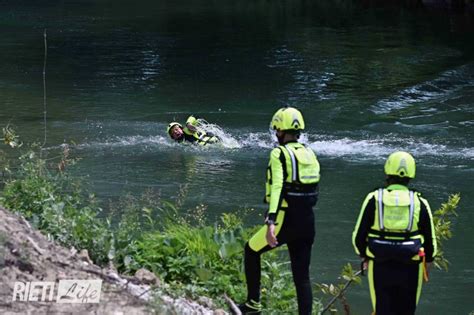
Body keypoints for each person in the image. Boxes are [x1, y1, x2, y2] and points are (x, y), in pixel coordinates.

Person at [238, 107, 321, 315]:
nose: (276, 134)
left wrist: (271, 221)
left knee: (251, 250)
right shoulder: (310, 153)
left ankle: (252, 305)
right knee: (302, 277)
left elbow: (277, 187)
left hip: (285, 219)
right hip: (308, 221)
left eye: (277, 130)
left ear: (281, 131)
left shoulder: (279, 154)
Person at [352, 151, 437, 315]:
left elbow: (358, 237)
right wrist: (429, 261)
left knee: (382, 309)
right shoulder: (419, 202)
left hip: (380, 264)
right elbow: (430, 241)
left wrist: (364, 256)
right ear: (411, 174)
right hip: (411, 266)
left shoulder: (374, 199)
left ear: (387, 171)